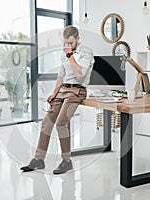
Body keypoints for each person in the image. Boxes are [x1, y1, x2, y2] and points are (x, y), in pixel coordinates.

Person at [20, 25, 94, 174]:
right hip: (63, 90)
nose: (68, 46)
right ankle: (38, 160)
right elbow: (61, 74)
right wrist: (54, 92)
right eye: (66, 43)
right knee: (47, 122)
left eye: (71, 43)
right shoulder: (65, 52)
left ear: (78, 39)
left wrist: (70, 56)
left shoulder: (86, 52)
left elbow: (80, 74)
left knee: (61, 123)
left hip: (77, 90)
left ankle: (67, 162)